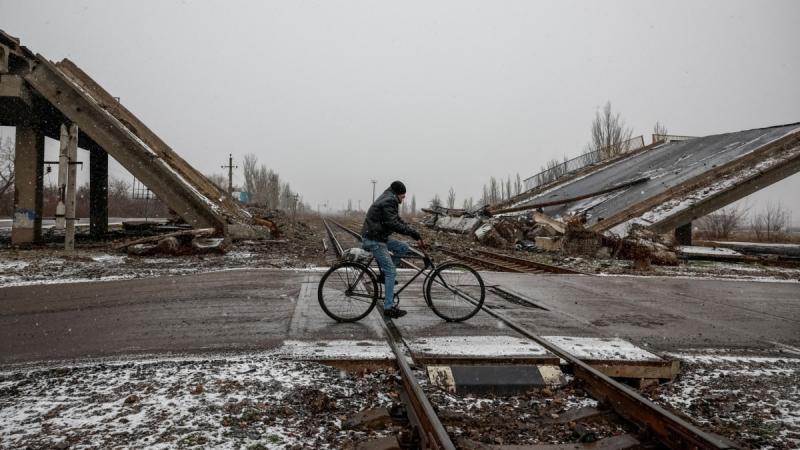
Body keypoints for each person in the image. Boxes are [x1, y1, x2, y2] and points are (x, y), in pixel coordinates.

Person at [361, 181, 423, 319]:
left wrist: (412, 230)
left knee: (402, 247)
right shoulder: (389, 200)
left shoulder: (388, 198)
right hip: (374, 239)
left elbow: (396, 220)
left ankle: (385, 276)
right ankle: (388, 308)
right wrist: (412, 233)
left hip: (378, 236)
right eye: (403, 195)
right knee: (391, 271)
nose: (404, 198)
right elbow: (392, 223)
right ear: (398, 193)